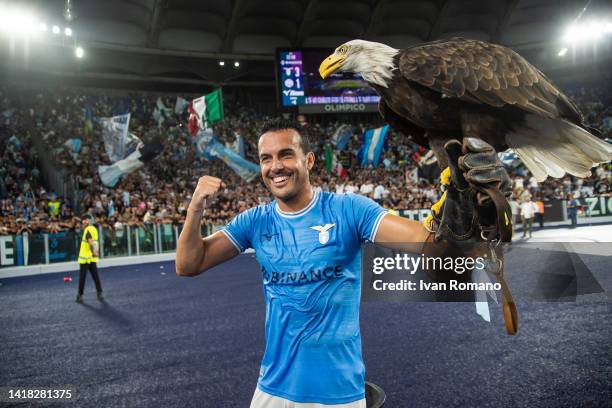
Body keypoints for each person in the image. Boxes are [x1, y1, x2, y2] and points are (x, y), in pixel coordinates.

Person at [176, 119, 505, 407]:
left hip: (339, 392)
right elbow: (189, 264)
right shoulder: (254, 221)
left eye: (286, 155)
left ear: (309, 160)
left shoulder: (349, 210)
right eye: (266, 158)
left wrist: (463, 207)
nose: (275, 166)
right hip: (273, 388)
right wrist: (195, 208)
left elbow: (427, 245)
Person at [76, 215, 104, 302]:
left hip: (85, 258)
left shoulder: (88, 229)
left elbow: (90, 241)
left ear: (89, 220)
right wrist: (95, 252)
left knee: (82, 277)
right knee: (95, 275)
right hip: (91, 258)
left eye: (85, 220)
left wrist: (94, 251)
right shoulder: (94, 229)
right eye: (83, 220)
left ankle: (80, 295)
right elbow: (93, 242)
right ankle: (100, 293)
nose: (83, 222)